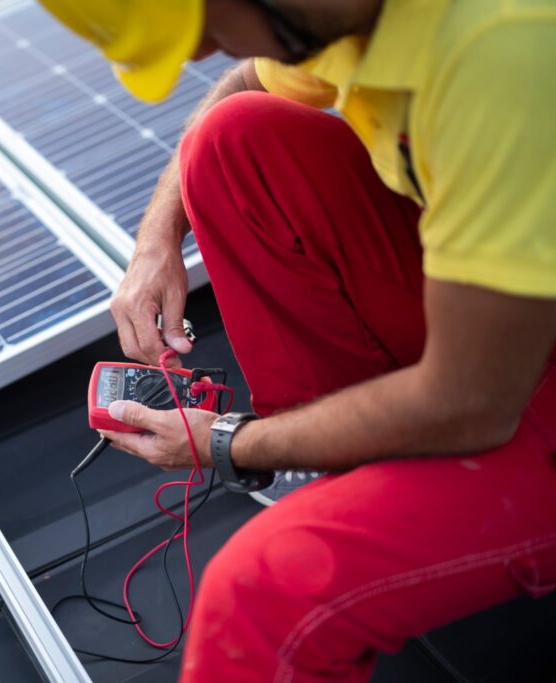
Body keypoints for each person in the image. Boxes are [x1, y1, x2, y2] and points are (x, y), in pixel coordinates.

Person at [39, 0, 556, 680]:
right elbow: (242, 85)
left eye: (209, 25)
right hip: (506, 315)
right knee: (228, 141)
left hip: (502, 382)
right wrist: (155, 239)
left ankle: (351, 480)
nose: (204, 55)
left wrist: (227, 442)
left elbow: (472, 400)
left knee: (255, 603)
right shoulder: (344, 14)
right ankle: (343, 466)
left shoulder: (503, 50)